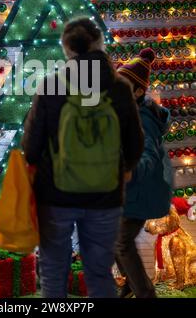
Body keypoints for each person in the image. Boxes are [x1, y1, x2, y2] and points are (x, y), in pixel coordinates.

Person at [22, 17, 144, 298]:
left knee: (53, 273)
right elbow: (135, 143)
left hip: (55, 197)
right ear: (99, 43)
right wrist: (125, 168)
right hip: (106, 197)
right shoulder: (120, 88)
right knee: (99, 274)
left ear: (67, 49)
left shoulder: (51, 86)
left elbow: (31, 146)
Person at [115, 48, 173, 299]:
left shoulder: (143, 119)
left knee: (121, 242)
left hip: (142, 190)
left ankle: (145, 293)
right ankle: (131, 283)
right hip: (128, 190)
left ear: (138, 92)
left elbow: (147, 154)